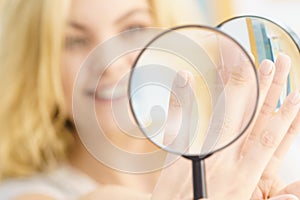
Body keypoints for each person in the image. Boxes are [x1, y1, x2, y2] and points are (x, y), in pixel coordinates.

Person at [0, 0, 299, 199]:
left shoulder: (246, 171)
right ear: (36, 64)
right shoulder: (30, 193)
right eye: (74, 40)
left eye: (132, 29)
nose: (109, 61)